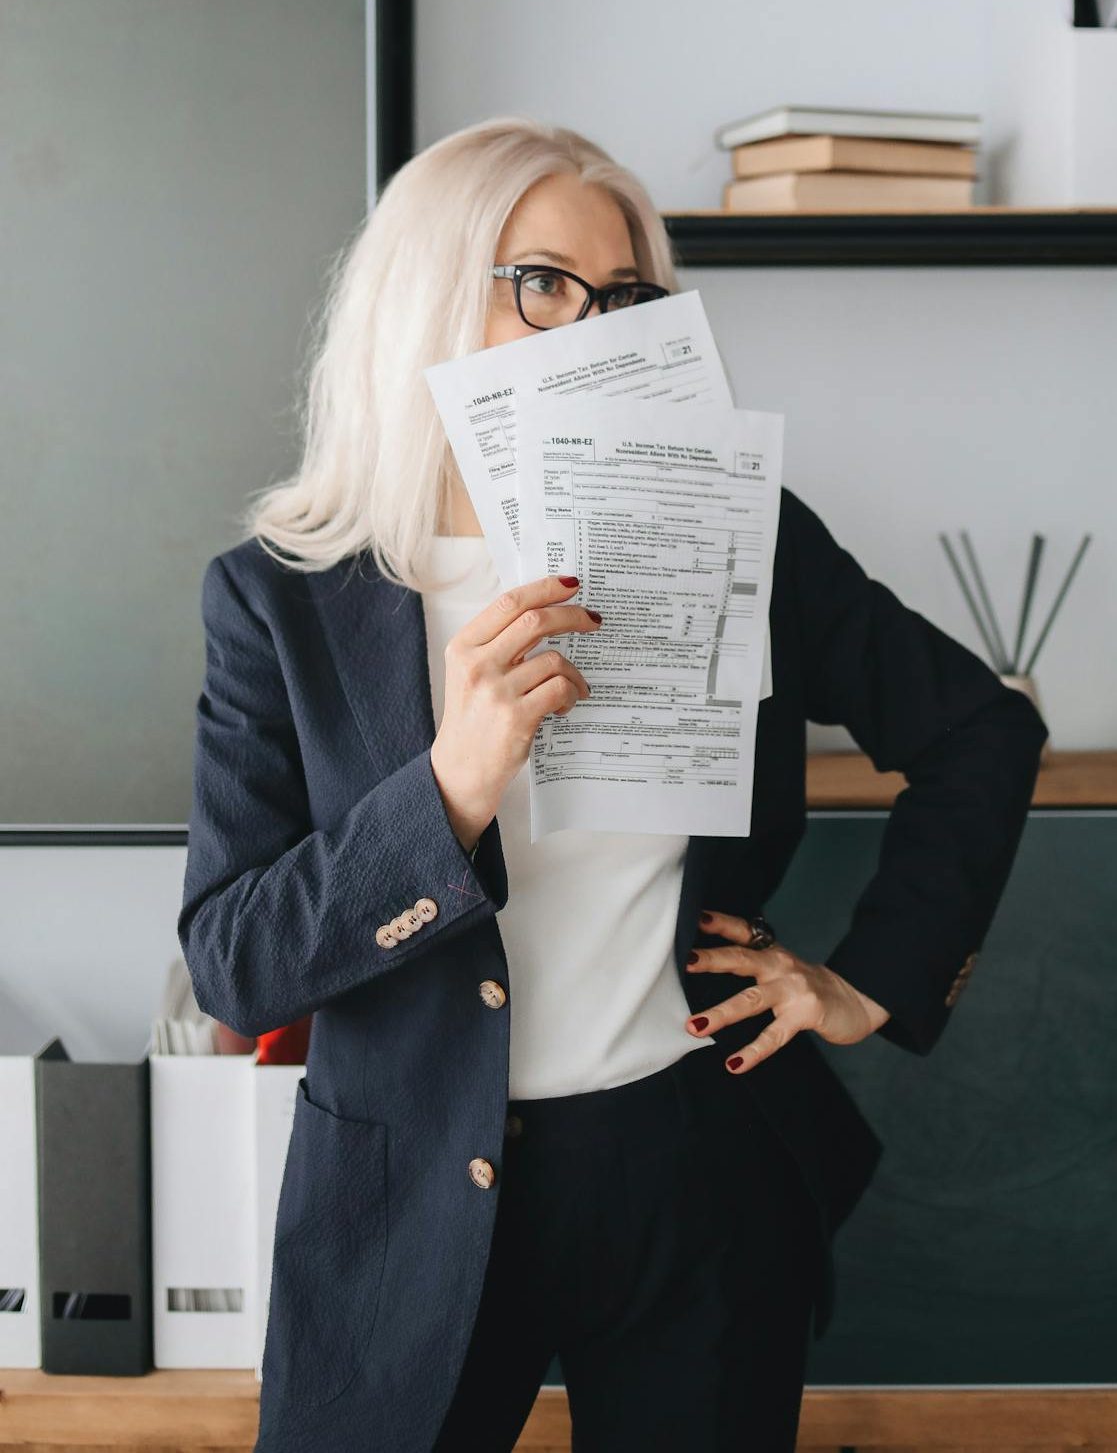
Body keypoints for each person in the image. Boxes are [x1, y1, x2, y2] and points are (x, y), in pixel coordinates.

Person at [179, 116, 1048, 1453]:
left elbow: (976, 733)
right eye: (542, 285)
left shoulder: (740, 532)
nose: (591, 332)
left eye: (627, 297)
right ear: (429, 292)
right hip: (405, 1189)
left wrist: (870, 976)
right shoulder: (284, 599)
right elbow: (236, 962)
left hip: (692, 1166)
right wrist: (449, 789)